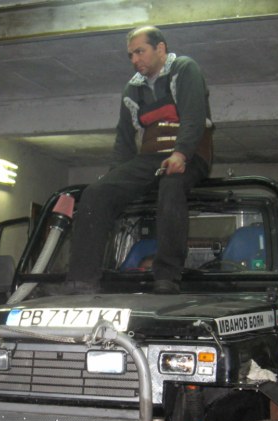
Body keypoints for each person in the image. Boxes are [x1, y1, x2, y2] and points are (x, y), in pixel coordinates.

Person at [66, 25, 213, 294]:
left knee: (171, 184)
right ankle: (81, 280)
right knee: (97, 192)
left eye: (140, 51)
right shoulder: (132, 89)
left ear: (160, 48)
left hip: (190, 154)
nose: (135, 59)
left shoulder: (184, 68)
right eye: (131, 55)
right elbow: (124, 138)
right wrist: (115, 176)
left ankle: (167, 275)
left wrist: (180, 153)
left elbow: (193, 116)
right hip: (150, 158)